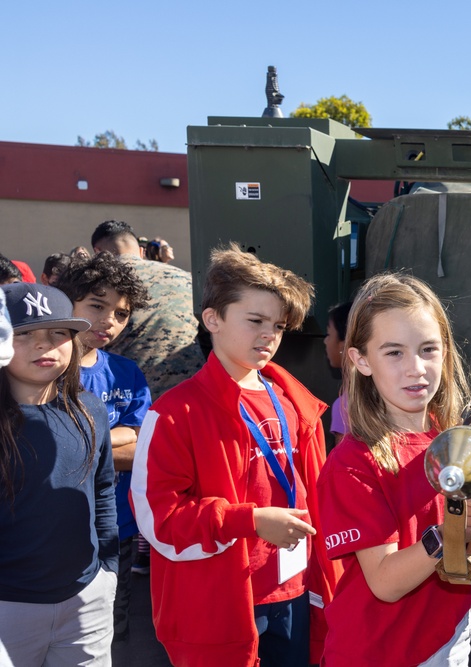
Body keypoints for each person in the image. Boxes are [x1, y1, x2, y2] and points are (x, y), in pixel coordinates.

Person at [130, 244, 338, 667]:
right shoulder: (174, 413)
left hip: (295, 589)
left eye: (278, 325)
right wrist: (251, 521)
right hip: (220, 603)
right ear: (213, 320)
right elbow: (158, 518)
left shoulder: (296, 402)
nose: (269, 335)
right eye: (256, 320)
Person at [316, 272, 471, 666]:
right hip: (377, 654)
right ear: (361, 360)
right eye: (394, 352)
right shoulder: (353, 463)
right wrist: (456, 527)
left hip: (449, 639)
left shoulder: (456, 442)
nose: (416, 368)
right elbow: (385, 583)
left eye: (429, 349)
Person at [0, 282, 118, 666]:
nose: (44, 344)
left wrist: (108, 575)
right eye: (25, 334)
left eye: (58, 333)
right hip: (9, 609)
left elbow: (102, 491)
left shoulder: (89, 410)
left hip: (86, 602)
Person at [58, 252, 152, 642]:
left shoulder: (126, 372)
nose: (109, 321)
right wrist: (115, 437)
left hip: (117, 526)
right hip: (56, 524)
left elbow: (140, 438)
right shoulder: (46, 366)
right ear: (67, 303)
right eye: (97, 305)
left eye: (121, 313)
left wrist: (79, 438)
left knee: (111, 619)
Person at [91, 219, 205, 402]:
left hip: (128, 403)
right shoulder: (187, 279)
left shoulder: (98, 286)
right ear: (142, 252)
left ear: (98, 253)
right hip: (190, 399)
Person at [323, 300, 352, 446]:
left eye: (328, 334)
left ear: (343, 346)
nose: (325, 341)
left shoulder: (345, 405)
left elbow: (344, 465)